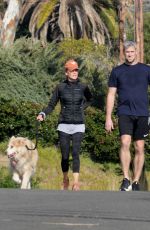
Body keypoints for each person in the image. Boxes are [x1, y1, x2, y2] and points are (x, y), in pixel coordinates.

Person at [37, 59, 92, 191]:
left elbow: (90, 99)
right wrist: (43, 114)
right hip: (63, 125)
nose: (75, 73)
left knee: (76, 152)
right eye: (72, 70)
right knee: (65, 155)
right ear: (66, 72)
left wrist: (81, 108)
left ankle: (76, 183)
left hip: (79, 124)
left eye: (76, 70)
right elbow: (51, 104)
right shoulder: (60, 87)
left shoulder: (83, 86)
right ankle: (65, 179)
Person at [105, 41, 150, 191]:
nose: (129, 54)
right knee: (124, 142)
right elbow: (111, 94)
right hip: (124, 112)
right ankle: (126, 178)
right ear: (124, 53)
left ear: (136, 52)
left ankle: (136, 181)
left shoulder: (146, 70)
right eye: (127, 52)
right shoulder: (117, 71)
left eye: (132, 51)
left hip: (142, 113)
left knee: (139, 146)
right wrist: (108, 117)